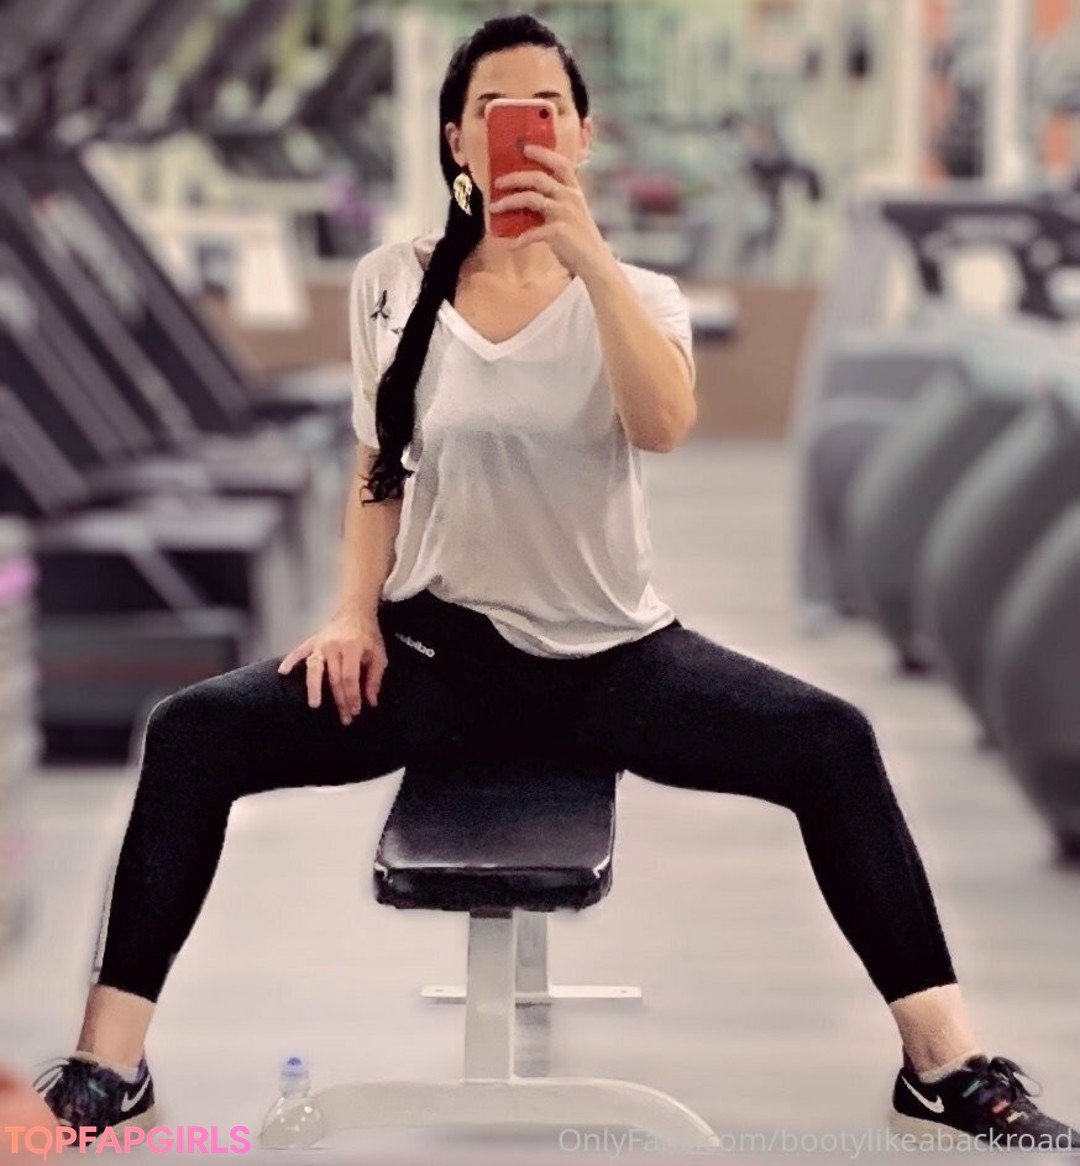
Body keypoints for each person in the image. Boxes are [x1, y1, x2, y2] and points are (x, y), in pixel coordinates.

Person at [32, 14, 1078, 1150]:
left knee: (832, 740)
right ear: (455, 138)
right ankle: (108, 1066)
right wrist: (349, 614)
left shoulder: (640, 294)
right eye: (492, 110)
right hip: (432, 659)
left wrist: (588, 259)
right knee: (191, 732)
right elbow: (379, 467)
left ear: (581, 135)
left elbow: (662, 422)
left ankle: (944, 1063)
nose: (518, 129)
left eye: (545, 111)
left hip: (611, 665)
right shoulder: (391, 284)